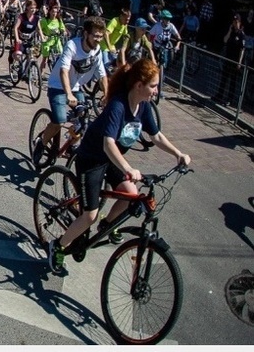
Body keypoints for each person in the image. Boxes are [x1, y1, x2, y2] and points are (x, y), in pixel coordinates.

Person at [47, 58, 191, 274]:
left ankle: (107, 226)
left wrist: (178, 154)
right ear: (139, 85)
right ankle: (58, 247)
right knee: (89, 215)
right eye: (153, 85)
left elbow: (156, 136)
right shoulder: (118, 105)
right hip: (92, 159)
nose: (156, 90)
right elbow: (108, 144)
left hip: (112, 160)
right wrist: (128, 169)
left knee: (130, 194)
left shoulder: (143, 107)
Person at [33, 17, 108, 166]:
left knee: (83, 119)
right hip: (58, 86)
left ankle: (71, 146)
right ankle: (41, 142)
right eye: (95, 36)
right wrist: (68, 94)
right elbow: (63, 71)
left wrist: (107, 94)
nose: (98, 40)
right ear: (86, 34)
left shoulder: (97, 50)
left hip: (75, 88)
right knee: (59, 120)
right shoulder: (72, 45)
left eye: (101, 36)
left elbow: (102, 74)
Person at [213, 13, 246, 106]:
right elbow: (225, 40)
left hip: (235, 61)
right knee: (224, 78)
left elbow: (242, 49)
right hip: (228, 58)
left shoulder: (241, 35)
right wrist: (229, 31)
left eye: (236, 22)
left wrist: (239, 62)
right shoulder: (231, 32)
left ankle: (230, 99)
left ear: (239, 23)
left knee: (233, 81)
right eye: (233, 22)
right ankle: (219, 95)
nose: (235, 24)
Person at [148, 9, 180, 99]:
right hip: (156, 47)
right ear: (162, 19)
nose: (167, 21)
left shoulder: (171, 26)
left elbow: (178, 37)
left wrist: (177, 45)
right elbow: (149, 35)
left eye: (169, 19)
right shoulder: (157, 26)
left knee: (163, 68)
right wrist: (150, 44)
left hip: (165, 48)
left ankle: (159, 88)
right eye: (166, 19)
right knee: (152, 65)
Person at [38, 2, 68, 75]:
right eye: (52, 12)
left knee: (61, 55)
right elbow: (38, 27)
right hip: (47, 41)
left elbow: (62, 28)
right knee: (45, 59)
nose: (54, 13)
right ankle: (40, 75)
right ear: (49, 12)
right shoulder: (45, 20)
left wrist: (64, 32)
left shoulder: (58, 20)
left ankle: (59, 71)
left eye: (55, 12)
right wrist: (42, 35)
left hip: (56, 40)